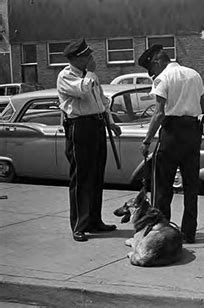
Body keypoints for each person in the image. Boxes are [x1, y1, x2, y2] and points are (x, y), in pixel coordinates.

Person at [139, 45, 204, 244]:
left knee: (163, 185)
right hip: (193, 131)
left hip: (172, 133)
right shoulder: (194, 74)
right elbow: (203, 103)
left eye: (152, 69)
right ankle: (189, 232)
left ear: (157, 62)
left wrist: (147, 140)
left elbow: (159, 113)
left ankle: (162, 230)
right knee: (191, 185)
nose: (154, 74)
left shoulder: (163, 78)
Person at [57, 38, 122, 242]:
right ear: (76, 58)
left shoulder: (90, 76)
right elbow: (83, 92)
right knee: (82, 176)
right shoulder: (66, 76)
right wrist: (91, 73)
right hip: (79, 127)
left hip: (96, 124)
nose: (90, 59)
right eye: (87, 56)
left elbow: (102, 101)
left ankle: (94, 220)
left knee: (96, 175)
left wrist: (110, 121)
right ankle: (80, 224)